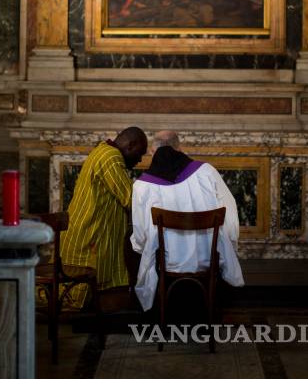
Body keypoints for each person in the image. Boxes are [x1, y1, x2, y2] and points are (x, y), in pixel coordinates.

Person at [130, 145, 244, 311]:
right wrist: (231, 243)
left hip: (167, 261)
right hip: (208, 257)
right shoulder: (206, 172)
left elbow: (140, 236)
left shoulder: (142, 186)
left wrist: (142, 248)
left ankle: (159, 312)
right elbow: (230, 210)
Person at [60, 126, 148, 309]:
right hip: (89, 235)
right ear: (130, 145)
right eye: (139, 154)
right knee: (74, 298)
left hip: (90, 231)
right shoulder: (110, 157)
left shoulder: (102, 151)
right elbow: (130, 198)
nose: (140, 160)